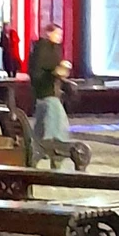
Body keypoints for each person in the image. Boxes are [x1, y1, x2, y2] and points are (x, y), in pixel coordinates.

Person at [28, 23, 73, 168]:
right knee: (58, 125)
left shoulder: (45, 48)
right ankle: (56, 153)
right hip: (48, 93)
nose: (59, 37)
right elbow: (47, 70)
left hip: (44, 94)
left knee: (43, 124)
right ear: (48, 33)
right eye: (57, 34)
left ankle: (36, 152)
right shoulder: (45, 49)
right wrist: (60, 69)